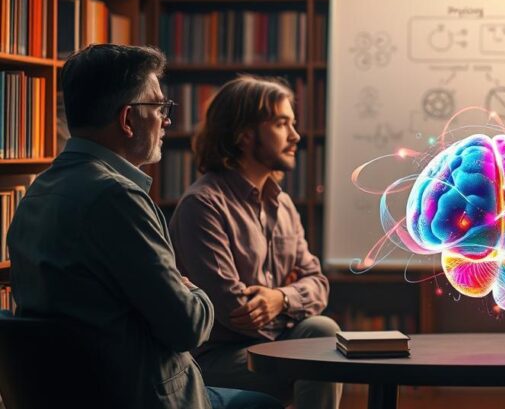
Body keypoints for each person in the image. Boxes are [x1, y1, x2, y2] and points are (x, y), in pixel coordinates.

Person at [7, 44, 280, 409]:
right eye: (159, 107)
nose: (167, 120)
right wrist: (192, 290)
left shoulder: (35, 194)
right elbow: (188, 327)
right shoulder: (118, 199)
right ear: (127, 119)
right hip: (145, 396)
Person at [170, 75, 340, 409]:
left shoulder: (283, 203)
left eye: (293, 123)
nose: (295, 136)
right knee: (322, 362)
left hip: (273, 341)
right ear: (244, 134)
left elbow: (318, 283)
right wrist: (294, 303)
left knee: (323, 329)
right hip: (217, 357)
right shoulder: (203, 205)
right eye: (281, 124)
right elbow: (237, 312)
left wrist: (281, 299)